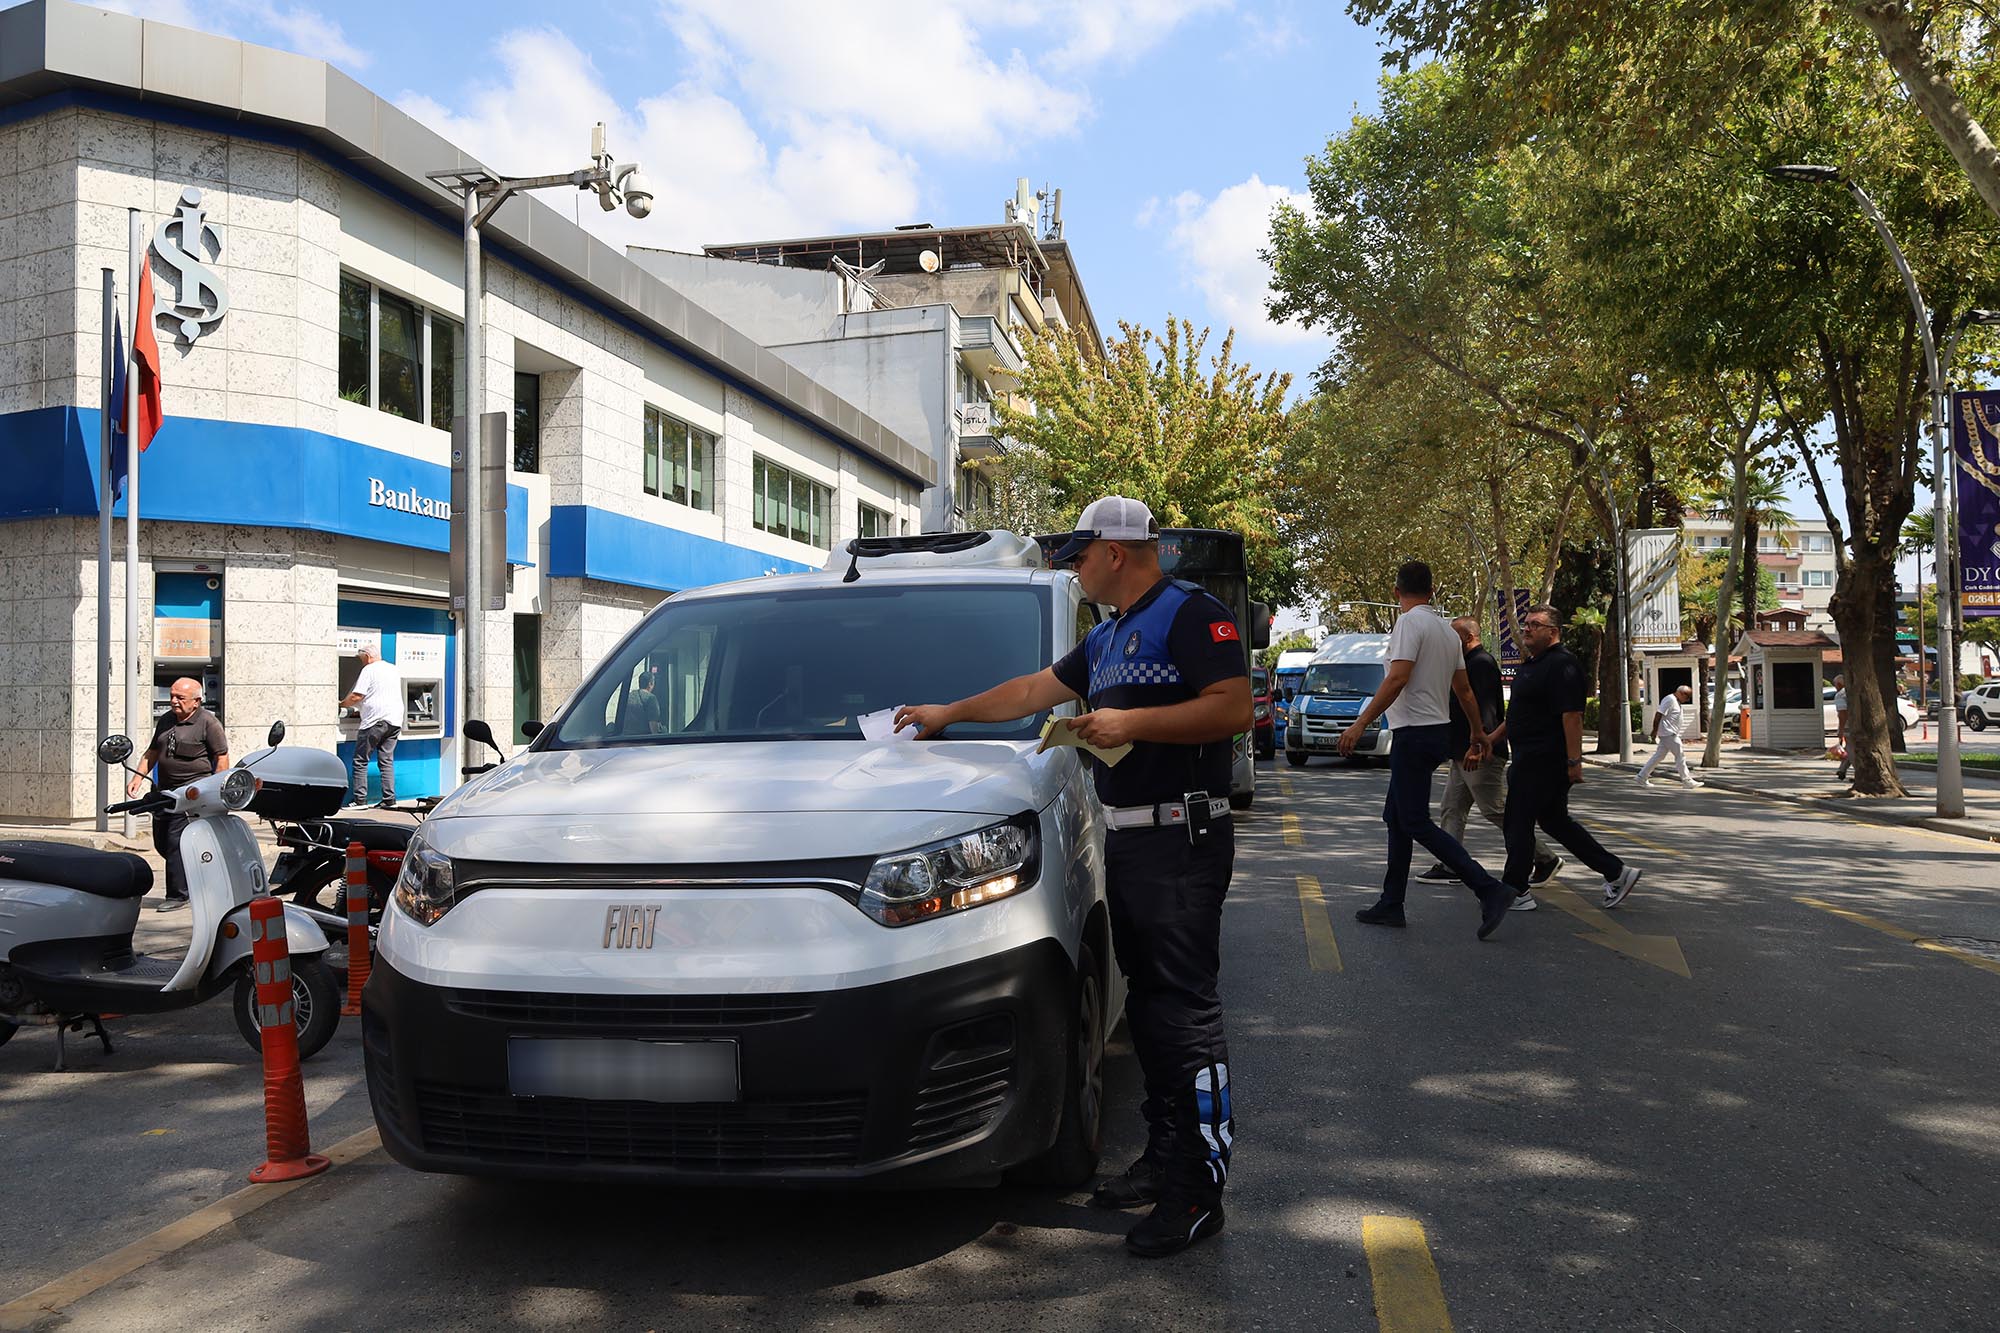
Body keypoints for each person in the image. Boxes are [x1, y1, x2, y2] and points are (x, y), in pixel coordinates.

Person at [894, 495, 1250, 1259]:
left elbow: (1234, 708)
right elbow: (1031, 690)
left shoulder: (1192, 614)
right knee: (1150, 1011)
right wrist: (946, 711)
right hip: (1131, 843)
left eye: (1080, 556)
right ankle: (1164, 1156)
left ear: (1115, 551)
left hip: (1181, 841)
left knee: (1185, 1014)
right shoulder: (1110, 636)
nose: (1074, 569)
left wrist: (1130, 723)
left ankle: (1198, 1190)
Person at [1338, 562, 1515, 940]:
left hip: (1414, 735)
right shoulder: (1447, 631)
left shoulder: (1409, 624)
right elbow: (1464, 692)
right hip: (1436, 733)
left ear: (1395, 591)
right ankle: (1391, 903)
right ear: (1432, 592)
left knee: (1414, 820)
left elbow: (1398, 677)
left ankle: (1488, 888)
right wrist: (1477, 732)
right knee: (1396, 817)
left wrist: (1360, 723)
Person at [1483, 606, 1643, 909]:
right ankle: (1616, 872)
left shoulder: (1563, 665)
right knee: (1555, 822)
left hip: (1544, 760)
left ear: (1552, 631)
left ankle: (1515, 889)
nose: (1527, 629)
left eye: (1535, 625)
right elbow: (1519, 713)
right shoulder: (1532, 665)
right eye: (1526, 624)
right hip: (1527, 758)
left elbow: (1572, 717)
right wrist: (1493, 738)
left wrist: (1574, 762)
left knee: (1518, 822)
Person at [1417, 616, 1563, 909]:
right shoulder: (1466, 662)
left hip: (1479, 753)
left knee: (1495, 810)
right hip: (1462, 752)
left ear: (1469, 637)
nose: (1448, 642)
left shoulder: (1480, 663)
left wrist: (1479, 746)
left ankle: (1545, 857)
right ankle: (1451, 864)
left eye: (1453, 636)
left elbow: (1484, 710)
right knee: (1452, 807)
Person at [128, 678, 230, 912]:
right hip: (163, 792)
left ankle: (177, 895)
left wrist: (215, 789)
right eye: (172, 696)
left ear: (196, 701)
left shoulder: (208, 723)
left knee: (176, 842)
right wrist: (137, 778)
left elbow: (222, 758)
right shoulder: (166, 720)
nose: (173, 701)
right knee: (162, 842)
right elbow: (152, 752)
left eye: (179, 698)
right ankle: (195, 879)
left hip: (191, 794)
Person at [340, 645, 402, 808]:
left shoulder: (369, 669)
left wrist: (341, 703)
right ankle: (389, 800)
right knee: (386, 760)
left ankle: (360, 800)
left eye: (361, 659)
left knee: (360, 760)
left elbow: (357, 695)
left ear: (367, 656)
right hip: (394, 720)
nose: (361, 663)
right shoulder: (393, 669)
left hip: (375, 721)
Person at [1637, 685, 1701, 790]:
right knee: (1680, 756)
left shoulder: (1676, 701)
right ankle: (1687, 780)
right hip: (1669, 734)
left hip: (1669, 733)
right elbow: (1658, 714)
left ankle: (1642, 776)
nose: (1687, 699)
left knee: (1659, 756)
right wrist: (1654, 730)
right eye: (1687, 697)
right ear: (1681, 693)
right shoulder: (1669, 699)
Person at [1832, 674, 1851, 781]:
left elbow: (1842, 713)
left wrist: (1841, 729)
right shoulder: (1851, 692)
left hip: (1849, 726)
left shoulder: (1840, 695)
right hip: (1861, 725)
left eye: (1835, 685)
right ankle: (1842, 769)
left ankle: (1860, 773)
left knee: (1851, 750)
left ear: (1838, 684)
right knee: (1850, 749)